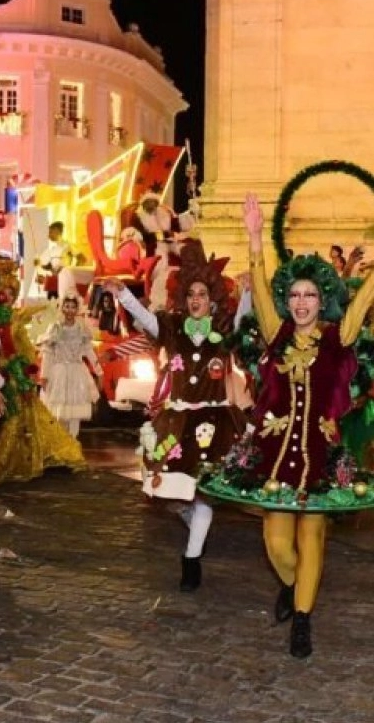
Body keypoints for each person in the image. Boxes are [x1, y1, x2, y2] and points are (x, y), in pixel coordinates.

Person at [199, 193, 374, 659]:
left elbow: (365, 300)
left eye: (310, 295)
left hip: (322, 455)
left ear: (323, 300)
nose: (301, 302)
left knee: (312, 534)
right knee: (277, 543)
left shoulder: (340, 339)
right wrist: (254, 237)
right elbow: (257, 286)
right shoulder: (276, 333)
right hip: (274, 457)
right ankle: (295, 586)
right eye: (295, 295)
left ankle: (302, 618)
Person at [108, 239, 251, 591]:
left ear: (213, 298)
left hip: (215, 425)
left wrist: (247, 291)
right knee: (174, 497)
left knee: (202, 495)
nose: (196, 299)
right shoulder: (171, 328)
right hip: (177, 423)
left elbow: (245, 320)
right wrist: (123, 293)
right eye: (191, 294)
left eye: (202, 293)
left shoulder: (225, 331)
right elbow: (144, 319)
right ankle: (194, 537)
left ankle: (191, 560)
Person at [0, 262, 87, 486]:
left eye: (12, 293)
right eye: (4, 292)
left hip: (13, 372)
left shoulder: (17, 317)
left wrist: (27, 369)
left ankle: (19, 461)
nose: (8, 297)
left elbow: (25, 345)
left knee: (21, 417)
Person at [38, 292, 103, 438]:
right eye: (67, 306)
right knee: (59, 410)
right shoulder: (55, 328)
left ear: (77, 309)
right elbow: (47, 353)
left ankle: (73, 442)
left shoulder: (81, 330)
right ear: (62, 308)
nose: (70, 310)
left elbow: (89, 351)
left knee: (75, 410)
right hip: (59, 371)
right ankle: (60, 442)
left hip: (77, 372)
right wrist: (44, 375)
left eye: (73, 307)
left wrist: (99, 371)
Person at [36, 221, 71, 299]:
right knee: (51, 304)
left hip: (65, 283)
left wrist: (66, 270)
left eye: (50, 232)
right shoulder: (52, 248)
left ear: (56, 231)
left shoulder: (68, 246)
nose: (48, 235)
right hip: (53, 282)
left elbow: (80, 260)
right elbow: (44, 264)